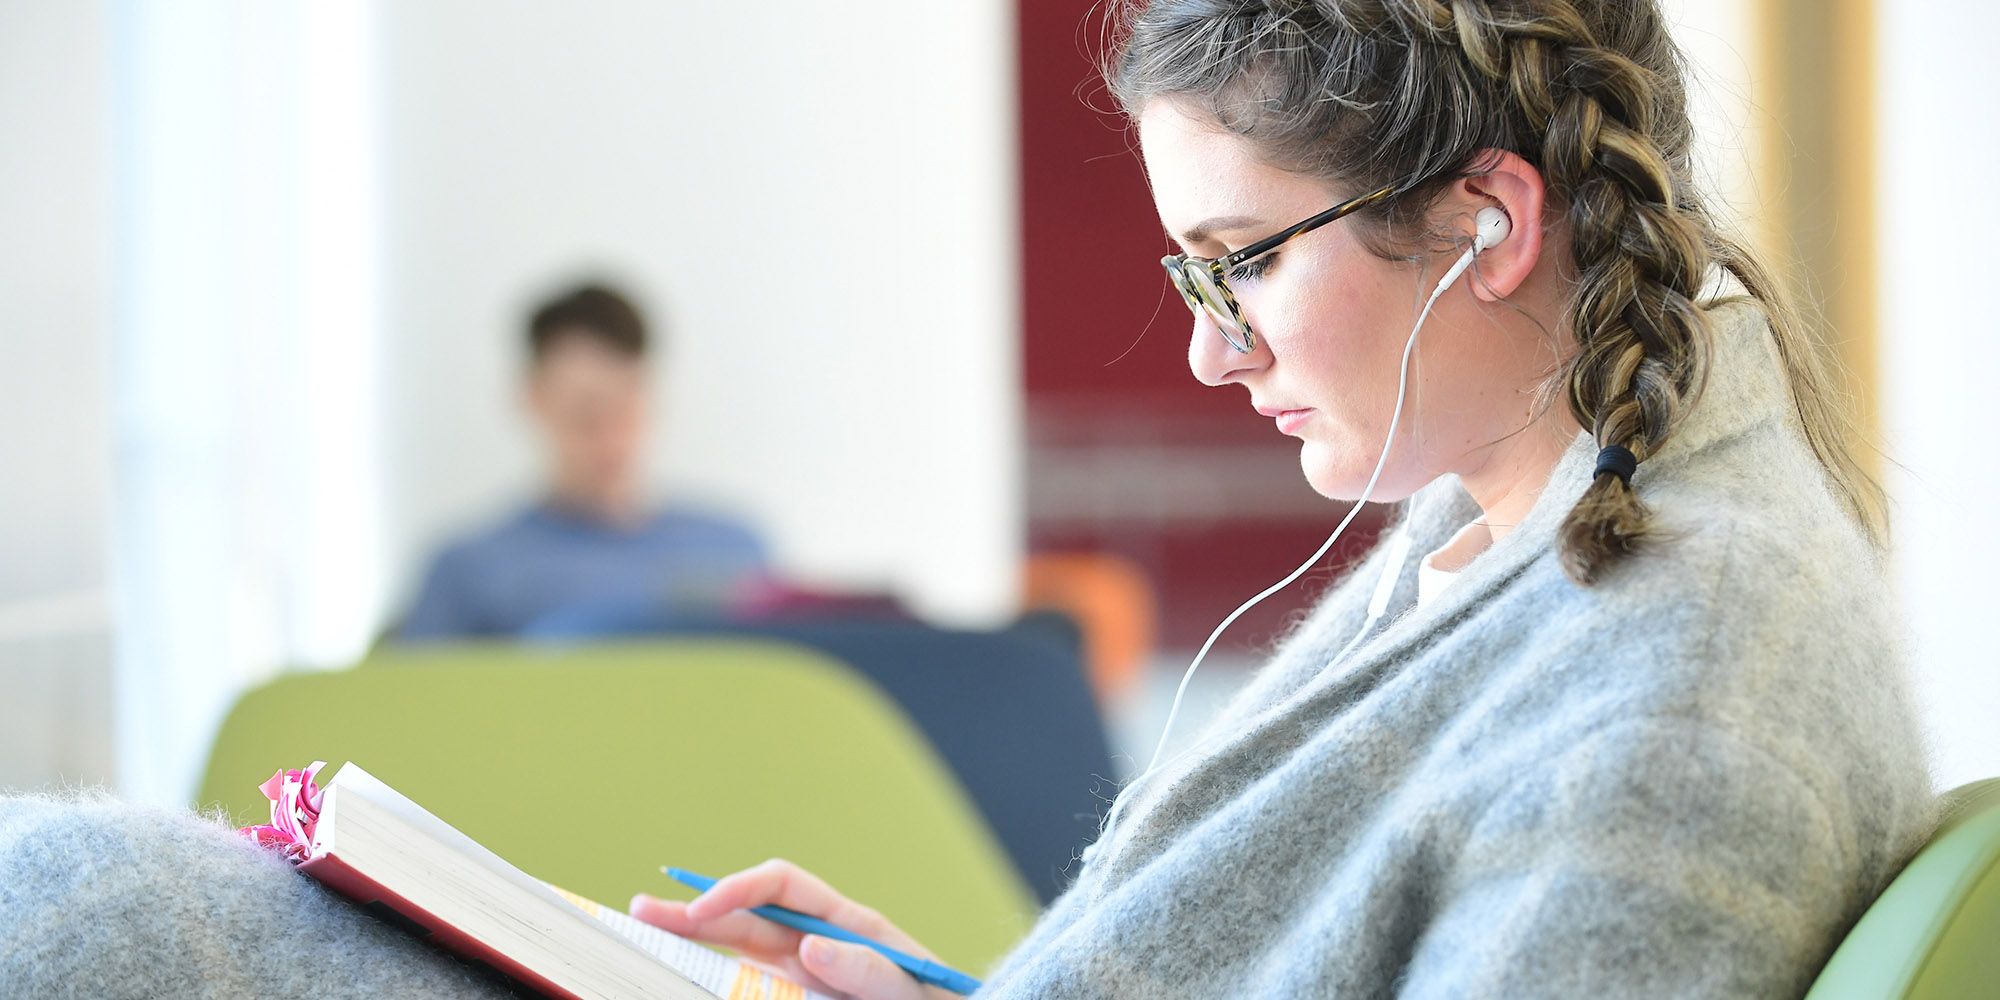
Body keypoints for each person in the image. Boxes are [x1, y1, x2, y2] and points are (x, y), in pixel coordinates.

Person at [0, 2, 1937, 997]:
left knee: (81, 917)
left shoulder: (1684, 686)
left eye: (1241, 259)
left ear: (1485, 221)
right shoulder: (1519, 551)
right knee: (104, 906)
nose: (1209, 353)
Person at [397, 282, 769, 639]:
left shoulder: (734, 549)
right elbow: (420, 699)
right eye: (586, 413)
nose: (610, 436)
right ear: (534, 398)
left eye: (625, 408)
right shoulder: (469, 570)